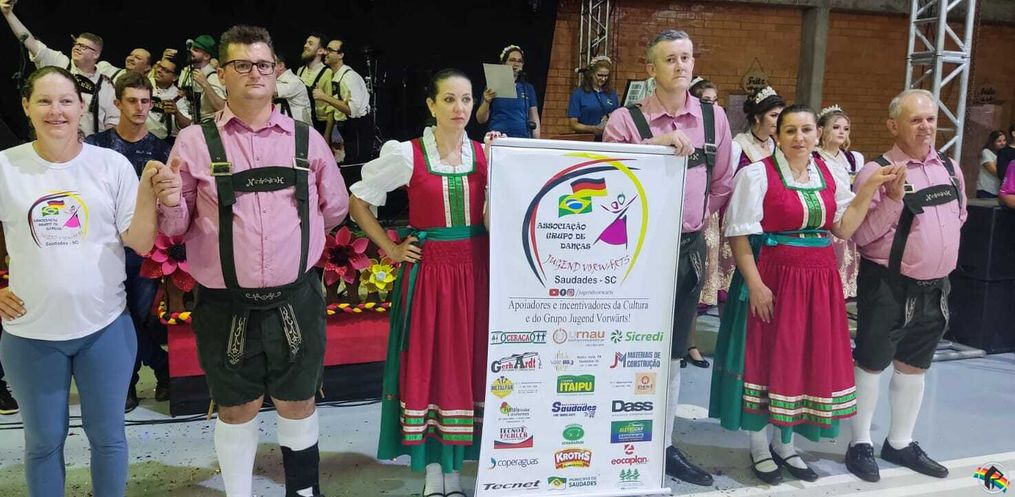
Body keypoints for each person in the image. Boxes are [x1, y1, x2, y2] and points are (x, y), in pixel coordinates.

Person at [153, 25, 348, 497]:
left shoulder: (307, 141)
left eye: (263, 64)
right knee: (235, 408)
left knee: (298, 402)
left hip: (297, 299)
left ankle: (303, 492)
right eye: (241, 64)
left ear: (276, 71)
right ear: (222, 74)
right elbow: (175, 227)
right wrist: (170, 201)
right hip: (224, 305)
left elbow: (335, 208)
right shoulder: (194, 142)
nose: (254, 73)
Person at [709, 104, 902, 484]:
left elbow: (843, 228)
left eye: (806, 130)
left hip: (818, 281)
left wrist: (870, 189)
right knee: (765, 356)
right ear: (778, 136)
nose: (799, 138)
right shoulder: (757, 174)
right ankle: (759, 446)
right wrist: (756, 285)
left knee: (800, 358)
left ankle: (786, 445)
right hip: (773, 277)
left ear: (818, 135)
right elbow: (739, 235)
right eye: (791, 131)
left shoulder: (830, 174)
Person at [0, 65, 158, 497]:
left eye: (66, 101)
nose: (56, 111)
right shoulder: (7, 167)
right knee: (43, 442)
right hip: (31, 335)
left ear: (82, 106)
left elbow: (141, 242)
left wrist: (149, 191)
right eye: (44, 101)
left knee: (108, 438)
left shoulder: (111, 165)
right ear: (26, 106)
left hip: (104, 328)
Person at [603, 29, 734, 487]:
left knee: (675, 350)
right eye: (670, 59)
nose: (681, 65)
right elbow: (607, 176)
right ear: (650, 68)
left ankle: (661, 445)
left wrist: (692, 220)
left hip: (688, 248)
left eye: (686, 57)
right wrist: (656, 146)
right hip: (634, 254)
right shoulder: (625, 120)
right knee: (624, 347)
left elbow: (722, 183)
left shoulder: (714, 118)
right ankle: (614, 441)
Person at [353, 68, 491, 497]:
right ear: (431, 105)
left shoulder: (487, 154)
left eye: (466, 99)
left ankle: (457, 473)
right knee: (431, 367)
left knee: (468, 368)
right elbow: (359, 202)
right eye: (449, 99)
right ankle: (434, 474)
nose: (459, 108)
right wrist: (392, 250)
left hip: (476, 273)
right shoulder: (408, 154)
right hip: (429, 276)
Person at [846, 89, 966, 483]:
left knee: (915, 366)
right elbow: (862, 236)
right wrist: (893, 200)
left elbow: (960, 215)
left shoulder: (950, 167)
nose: (926, 126)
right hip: (888, 285)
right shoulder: (876, 171)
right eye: (916, 120)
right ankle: (859, 443)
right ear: (893, 126)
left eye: (930, 119)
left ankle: (899, 442)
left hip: (936, 286)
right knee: (871, 362)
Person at [85, 72, 173, 412]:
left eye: (145, 101)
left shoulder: (162, 149)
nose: (139, 107)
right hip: (103, 247)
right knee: (119, 318)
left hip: (146, 249)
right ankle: (151, 374)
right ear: (118, 103)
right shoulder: (95, 146)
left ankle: (138, 380)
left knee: (138, 316)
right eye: (132, 101)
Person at [2, 0, 119, 137]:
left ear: (96, 54)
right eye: (77, 44)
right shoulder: (60, 63)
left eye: (84, 47)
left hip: (89, 146)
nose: (77, 48)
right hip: (53, 140)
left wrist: (101, 144)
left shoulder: (106, 85)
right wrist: (8, 14)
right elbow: (30, 42)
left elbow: (113, 120)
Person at [817, 105, 865, 299]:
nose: (841, 132)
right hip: (827, 219)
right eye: (836, 127)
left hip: (849, 217)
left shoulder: (854, 158)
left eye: (845, 129)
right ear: (822, 130)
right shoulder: (814, 157)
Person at [317, 38, 371, 163]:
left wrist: (324, 97)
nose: (325, 53)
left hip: (357, 129)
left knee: (354, 166)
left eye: (330, 50)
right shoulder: (335, 75)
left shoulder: (349, 77)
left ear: (341, 55)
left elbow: (353, 111)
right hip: (344, 128)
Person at [477, 45, 541, 138]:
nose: (516, 64)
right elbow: (481, 119)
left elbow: (534, 118)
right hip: (498, 137)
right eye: (512, 60)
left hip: (522, 138)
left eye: (519, 61)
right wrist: (486, 101)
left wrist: (536, 142)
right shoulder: (494, 84)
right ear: (504, 63)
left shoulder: (528, 87)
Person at [567, 55, 619, 139]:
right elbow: (573, 124)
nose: (603, 79)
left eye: (606, 76)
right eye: (600, 75)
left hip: (608, 139)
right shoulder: (579, 94)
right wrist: (593, 129)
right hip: (585, 139)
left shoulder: (612, 94)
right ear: (592, 74)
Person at [178, 34, 226, 123]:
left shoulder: (213, 77)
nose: (191, 51)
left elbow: (222, 107)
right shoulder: (189, 73)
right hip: (195, 124)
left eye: (196, 50)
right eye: (191, 48)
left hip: (211, 125)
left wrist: (205, 85)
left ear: (206, 56)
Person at [149, 54, 193, 143]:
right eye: (159, 67)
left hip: (161, 142)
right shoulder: (143, 84)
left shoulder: (178, 96)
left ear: (175, 77)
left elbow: (188, 126)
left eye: (165, 70)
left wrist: (177, 113)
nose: (159, 70)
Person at [297, 32, 333, 134]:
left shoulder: (327, 73)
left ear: (321, 51)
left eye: (310, 43)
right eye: (306, 42)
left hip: (319, 127)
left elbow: (331, 109)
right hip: (302, 124)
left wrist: (327, 135)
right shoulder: (300, 71)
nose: (305, 45)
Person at [274, 54, 313, 124]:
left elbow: (270, 91)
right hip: (287, 125)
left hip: (300, 127)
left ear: (280, 66)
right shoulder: (277, 80)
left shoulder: (294, 81)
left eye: (270, 65)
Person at [976, 130, 1007, 198]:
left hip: (998, 191)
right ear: (992, 142)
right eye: (999, 141)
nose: (1003, 143)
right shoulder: (986, 152)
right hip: (986, 190)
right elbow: (995, 171)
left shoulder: (1003, 154)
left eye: (1004, 140)